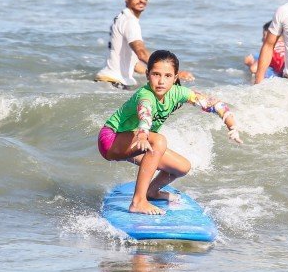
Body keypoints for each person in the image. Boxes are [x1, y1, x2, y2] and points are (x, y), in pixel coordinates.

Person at [98, 50, 242, 215]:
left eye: (167, 76)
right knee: (158, 141)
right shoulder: (145, 95)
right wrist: (144, 135)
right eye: (156, 74)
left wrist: (232, 127)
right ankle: (138, 202)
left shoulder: (177, 93)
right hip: (112, 139)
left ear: (175, 78)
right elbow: (145, 113)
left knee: (182, 167)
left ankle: (151, 192)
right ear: (147, 75)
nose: (161, 81)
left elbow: (212, 104)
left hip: (137, 140)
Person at [96, 0, 194, 89]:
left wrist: (156, 74)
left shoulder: (121, 18)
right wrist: (172, 72)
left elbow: (134, 64)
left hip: (106, 82)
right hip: (114, 83)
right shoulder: (130, 21)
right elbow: (141, 53)